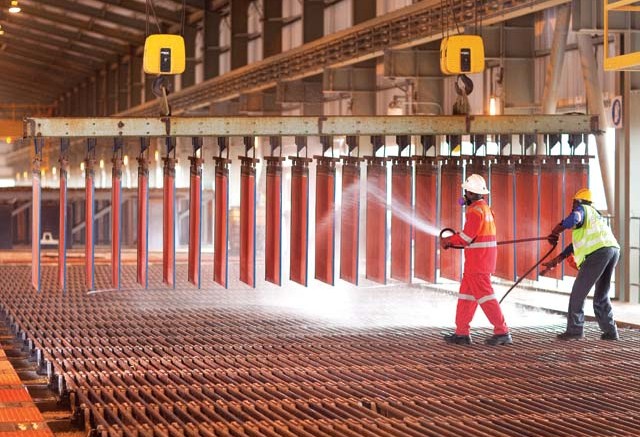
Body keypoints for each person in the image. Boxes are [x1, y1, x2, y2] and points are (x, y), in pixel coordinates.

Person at [441, 174, 512, 346]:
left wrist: (449, 241)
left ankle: (502, 332)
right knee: (466, 297)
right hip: (478, 262)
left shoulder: (475, 211)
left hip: (478, 263)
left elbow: (466, 237)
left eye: (466, 192)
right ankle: (461, 333)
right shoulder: (485, 209)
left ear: (472, 193)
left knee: (487, 298)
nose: (464, 195)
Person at [543, 188, 620, 340]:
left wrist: (556, 231)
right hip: (612, 251)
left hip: (598, 254)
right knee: (601, 296)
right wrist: (556, 261)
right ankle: (611, 332)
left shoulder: (582, 209)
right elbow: (575, 245)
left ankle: (575, 330)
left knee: (578, 293)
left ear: (578, 201)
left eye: (573, 203)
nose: (572, 207)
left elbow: (575, 218)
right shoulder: (596, 217)